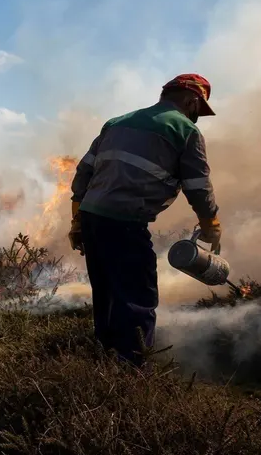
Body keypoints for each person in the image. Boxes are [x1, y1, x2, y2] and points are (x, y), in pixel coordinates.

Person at [69, 74, 221, 367]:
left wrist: (77, 220)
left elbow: (84, 172)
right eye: (198, 110)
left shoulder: (117, 122)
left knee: (107, 294)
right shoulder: (185, 130)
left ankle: (104, 362)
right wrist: (210, 223)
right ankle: (131, 375)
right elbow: (198, 185)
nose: (196, 116)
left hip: (91, 218)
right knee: (137, 296)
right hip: (124, 222)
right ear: (192, 100)